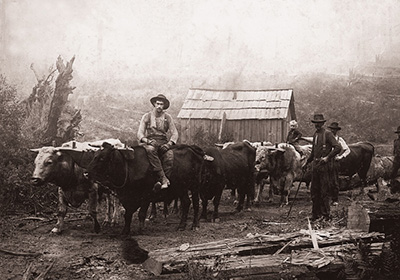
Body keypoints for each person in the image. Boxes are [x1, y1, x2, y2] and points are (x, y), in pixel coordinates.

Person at [137, 94, 179, 191]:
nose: (159, 106)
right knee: (151, 150)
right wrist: (147, 141)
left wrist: (169, 144)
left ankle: (161, 182)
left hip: (163, 141)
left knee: (169, 156)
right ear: (154, 104)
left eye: (162, 104)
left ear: (164, 106)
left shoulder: (167, 117)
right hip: (150, 141)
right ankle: (163, 179)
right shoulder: (146, 116)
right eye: (158, 104)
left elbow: (175, 133)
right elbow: (140, 133)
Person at [304, 114, 341, 222]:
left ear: (323, 123)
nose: (317, 125)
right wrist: (307, 162)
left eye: (319, 123)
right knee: (314, 191)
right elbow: (313, 152)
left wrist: (327, 158)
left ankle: (326, 215)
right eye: (315, 123)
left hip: (324, 166)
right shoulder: (315, 134)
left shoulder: (328, 134)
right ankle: (315, 214)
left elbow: (338, 147)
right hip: (315, 166)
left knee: (324, 191)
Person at [328, 122, 350, 206]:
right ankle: (326, 198)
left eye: (335, 129)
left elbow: (347, 150)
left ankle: (335, 199)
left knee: (334, 181)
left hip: (334, 161)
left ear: (337, 131)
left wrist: (341, 157)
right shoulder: (326, 137)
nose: (333, 131)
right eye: (332, 129)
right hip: (326, 161)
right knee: (325, 180)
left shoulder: (339, 139)